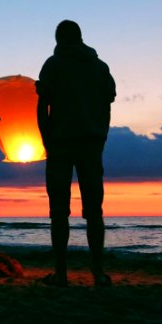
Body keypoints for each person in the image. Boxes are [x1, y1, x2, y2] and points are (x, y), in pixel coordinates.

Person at [36, 20, 116, 287]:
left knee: (59, 211)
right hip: (91, 143)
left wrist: (47, 140)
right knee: (94, 211)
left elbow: (42, 107)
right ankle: (98, 272)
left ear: (59, 38)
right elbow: (108, 101)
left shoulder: (53, 64)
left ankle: (61, 273)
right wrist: (100, 134)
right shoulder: (99, 66)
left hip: (61, 144)